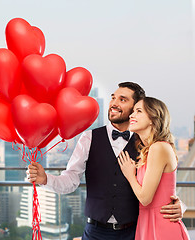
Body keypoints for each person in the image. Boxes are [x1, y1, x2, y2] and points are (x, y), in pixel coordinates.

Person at [26, 82, 184, 240]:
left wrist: (180, 206)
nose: (114, 103)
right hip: (95, 231)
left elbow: (161, 186)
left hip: (134, 231)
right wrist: (46, 179)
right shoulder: (89, 138)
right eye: (113, 98)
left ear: (136, 108)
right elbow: (71, 180)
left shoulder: (146, 144)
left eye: (122, 100)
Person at [117, 97, 189, 239]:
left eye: (138, 111)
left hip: (161, 225)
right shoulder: (148, 150)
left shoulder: (158, 147)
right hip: (147, 222)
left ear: (152, 118)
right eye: (133, 111)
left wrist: (130, 175)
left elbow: (145, 198)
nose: (131, 115)